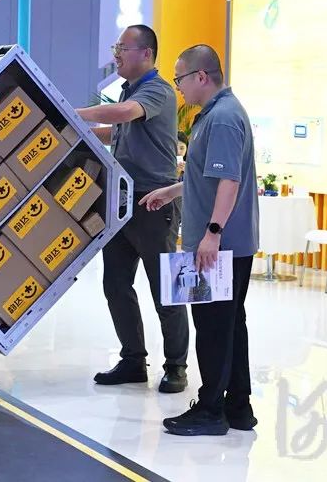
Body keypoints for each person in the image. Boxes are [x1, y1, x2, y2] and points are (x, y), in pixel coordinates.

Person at [140, 44, 259, 436]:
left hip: (218, 246)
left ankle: (210, 411)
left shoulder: (222, 118)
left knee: (213, 328)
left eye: (180, 80)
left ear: (201, 76)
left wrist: (212, 234)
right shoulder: (217, 113)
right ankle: (238, 408)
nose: (179, 88)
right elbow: (207, 176)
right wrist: (173, 191)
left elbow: (229, 181)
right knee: (230, 325)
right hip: (223, 243)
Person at [75, 24, 189, 393]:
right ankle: (133, 360)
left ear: (146, 53)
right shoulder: (130, 90)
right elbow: (118, 131)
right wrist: (75, 131)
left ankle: (176, 366)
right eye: (116, 47)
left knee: (165, 290)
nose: (116, 54)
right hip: (123, 201)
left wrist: (72, 112)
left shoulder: (156, 89)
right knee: (116, 283)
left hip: (156, 202)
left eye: (122, 48)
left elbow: (124, 114)